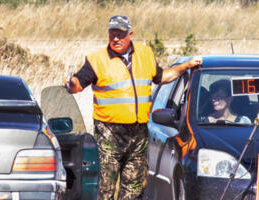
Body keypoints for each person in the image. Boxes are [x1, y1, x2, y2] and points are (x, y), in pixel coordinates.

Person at [65, 15, 202, 200]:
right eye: (112, 33)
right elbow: (77, 84)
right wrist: (71, 83)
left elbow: (162, 77)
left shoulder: (145, 54)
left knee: (134, 190)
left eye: (120, 34)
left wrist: (185, 66)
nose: (115, 38)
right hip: (109, 134)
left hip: (138, 135)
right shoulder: (97, 59)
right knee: (105, 188)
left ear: (130, 34)